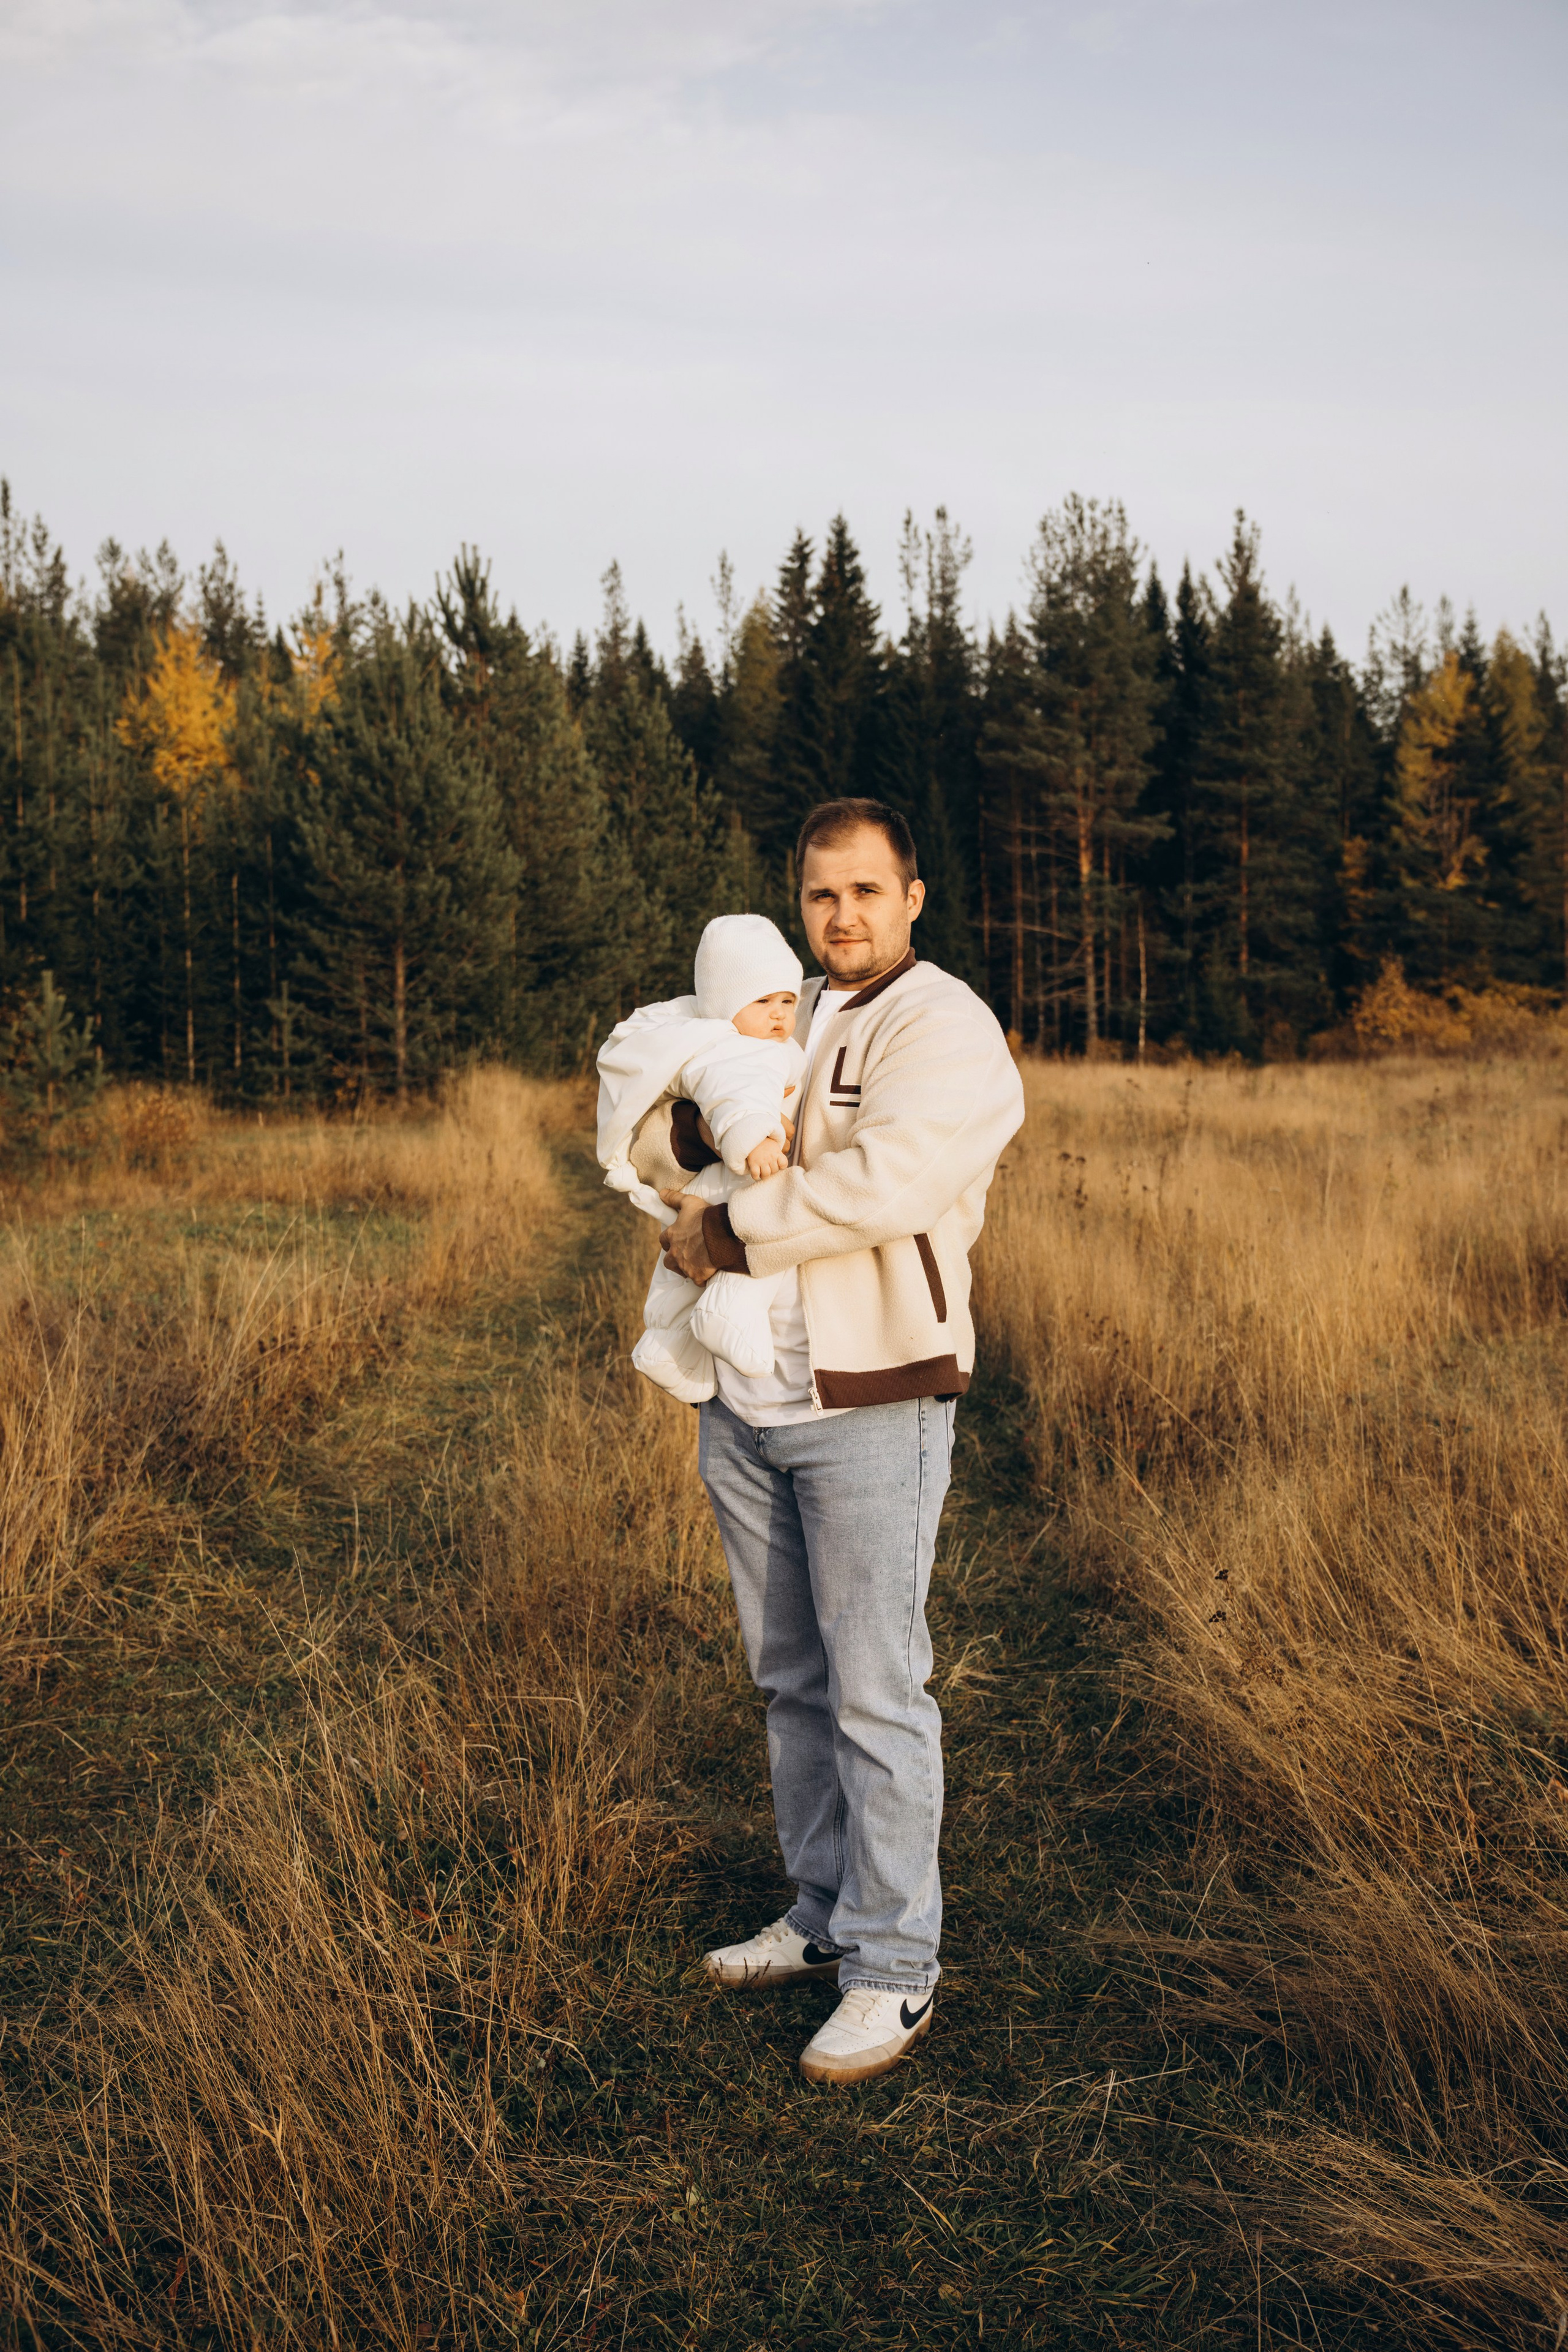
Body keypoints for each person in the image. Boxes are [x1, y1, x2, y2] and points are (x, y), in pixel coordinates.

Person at [627, 797, 1025, 2086]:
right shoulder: (774, 1010)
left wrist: (726, 1230)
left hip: (871, 1400)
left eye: (864, 890)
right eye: (819, 894)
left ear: (912, 896)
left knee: (874, 1687)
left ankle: (895, 1966)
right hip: (748, 1402)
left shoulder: (944, 1025)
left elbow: (887, 1183)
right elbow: (659, 1108)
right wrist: (700, 1131)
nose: (841, 914)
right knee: (790, 1677)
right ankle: (821, 1912)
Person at [597, 914, 805, 1403]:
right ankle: (730, 1311)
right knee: (764, 1228)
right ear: (724, 1005)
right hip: (742, 1172)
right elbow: (736, 1095)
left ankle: (666, 1346)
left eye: (787, 1002)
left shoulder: (704, 1039)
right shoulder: (739, 1050)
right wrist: (754, 1139)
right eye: (762, 1002)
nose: (779, 1016)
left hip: (701, 1182)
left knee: (678, 1267)